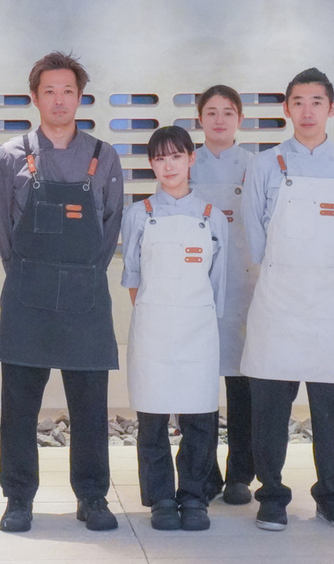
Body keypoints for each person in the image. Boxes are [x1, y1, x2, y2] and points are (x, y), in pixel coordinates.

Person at [0, 51, 125, 533]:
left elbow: (110, 228)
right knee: (19, 405)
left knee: (89, 405)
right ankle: (18, 498)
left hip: (86, 297)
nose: (59, 100)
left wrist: (79, 274)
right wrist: (33, 273)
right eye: (49, 91)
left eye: (68, 91)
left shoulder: (103, 155)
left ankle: (92, 496)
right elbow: (3, 231)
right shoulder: (10, 156)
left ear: (80, 97)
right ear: (35, 98)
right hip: (27, 295)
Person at [240, 67, 334, 533]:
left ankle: (332, 496)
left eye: (316, 102)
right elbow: (254, 232)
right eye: (298, 102)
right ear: (287, 109)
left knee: (333, 405)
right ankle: (272, 496)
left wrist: (326, 269)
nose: (307, 110)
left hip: (330, 303)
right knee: (270, 406)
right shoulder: (265, 165)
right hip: (278, 298)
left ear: (331, 108)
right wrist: (287, 267)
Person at [120, 125, 228, 532]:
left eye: (176, 156)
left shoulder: (212, 217)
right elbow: (132, 277)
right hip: (153, 329)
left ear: (191, 159)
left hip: (199, 329)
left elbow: (218, 282)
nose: (169, 166)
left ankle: (194, 497)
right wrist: (156, 313)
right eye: (160, 158)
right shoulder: (138, 215)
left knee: (200, 416)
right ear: (151, 164)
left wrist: (192, 315)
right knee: (152, 416)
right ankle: (161, 498)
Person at [190, 85, 258, 507]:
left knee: (242, 384)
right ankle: (203, 472)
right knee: (198, 382)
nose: (219, 120)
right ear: (199, 119)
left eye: (227, 112)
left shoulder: (256, 166)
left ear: (240, 119)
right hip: (196, 284)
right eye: (211, 112)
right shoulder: (187, 162)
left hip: (245, 285)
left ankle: (240, 475)